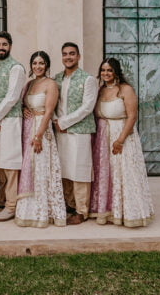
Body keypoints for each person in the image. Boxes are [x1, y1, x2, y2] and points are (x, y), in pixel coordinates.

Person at [90, 58, 154, 227]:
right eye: (103, 70)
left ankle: (128, 212)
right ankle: (108, 210)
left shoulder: (125, 89)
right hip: (103, 137)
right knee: (107, 173)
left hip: (122, 136)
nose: (106, 73)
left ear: (116, 71)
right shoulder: (100, 90)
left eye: (109, 70)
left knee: (123, 172)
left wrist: (120, 140)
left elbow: (132, 116)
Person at [15, 51, 66, 228]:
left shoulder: (51, 84)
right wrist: (23, 110)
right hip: (27, 129)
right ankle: (28, 211)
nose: (38, 66)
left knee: (41, 167)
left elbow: (49, 112)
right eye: (35, 63)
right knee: (29, 168)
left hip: (41, 130)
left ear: (47, 66)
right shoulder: (29, 85)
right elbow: (23, 104)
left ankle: (44, 212)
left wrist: (38, 136)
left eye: (41, 63)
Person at [0, 31, 27, 222]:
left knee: (9, 163)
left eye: (4, 44)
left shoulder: (16, 68)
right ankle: (2, 196)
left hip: (10, 122)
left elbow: (12, 97)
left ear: (10, 46)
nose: (1, 47)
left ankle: (11, 205)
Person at [53, 42, 98, 225]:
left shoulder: (88, 79)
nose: (68, 57)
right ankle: (69, 204)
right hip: (60, 131)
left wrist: (64, 122)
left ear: (78, 56)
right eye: (65, 54)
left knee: (80, 170)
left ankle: (81, 210)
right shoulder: (56, 79)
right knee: (64, 169)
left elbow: (87, 107)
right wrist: (56, 121)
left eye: (72, 54)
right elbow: (51, 103)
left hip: (80, 131)